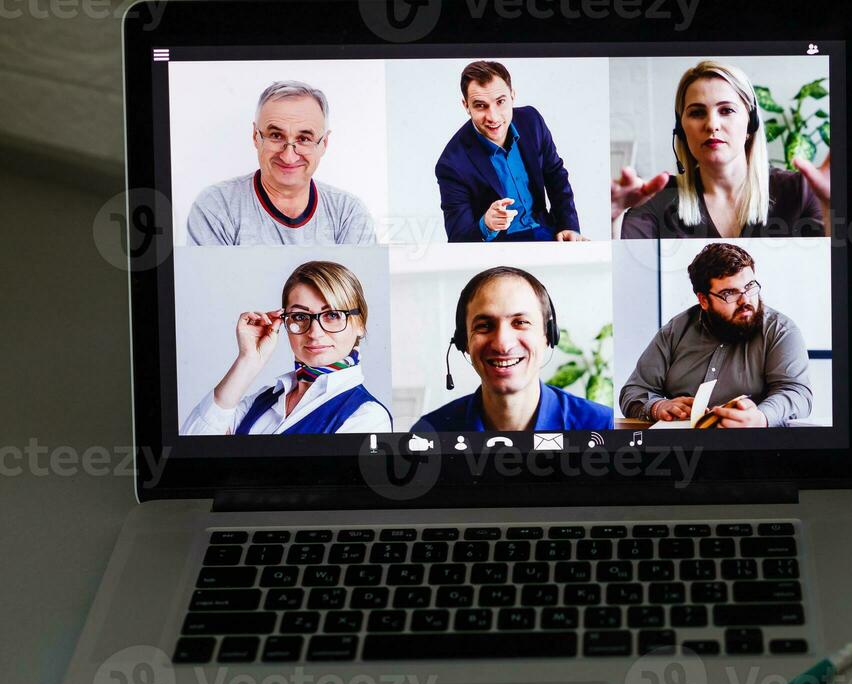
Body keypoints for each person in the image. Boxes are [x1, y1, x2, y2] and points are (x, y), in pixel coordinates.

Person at [613, 60, 830, 240]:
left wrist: (832, 209)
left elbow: (830, 277)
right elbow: (624, 278)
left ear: (750, 124)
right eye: (697, 113)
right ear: (681, 129)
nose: (712, 125)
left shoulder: (798, 192)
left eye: (726, 110)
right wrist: (613, 217)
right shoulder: (657, 200)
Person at [181, 261, 391, 435]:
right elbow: (193, 451)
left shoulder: (366, 416)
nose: (315, 332)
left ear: (360, 325)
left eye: (333, 315)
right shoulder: (263, 400)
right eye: (300, 317)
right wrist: (248, 361)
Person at [619, 242, 812, 427]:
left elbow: (797, 393)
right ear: (703, 300)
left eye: (750, 286)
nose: (746, 301)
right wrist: (657, 406)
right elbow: (633, 391)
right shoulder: (676, 330)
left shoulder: (781, 331)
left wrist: (762, 417)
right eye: (730, 293)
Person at [414, 267, 612, 432]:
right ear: (463, 341)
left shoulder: (603, 426)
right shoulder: (429, 432)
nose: (502, 344)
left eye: (521, 322)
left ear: (548, 336)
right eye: (484, 325)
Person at [186, 81, 376, 246]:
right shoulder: (217, 206)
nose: (288, 156)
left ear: (324, 143)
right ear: (255, 136)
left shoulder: (348, 214)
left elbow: (359, 288)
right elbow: (209, 287)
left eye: (304, 138)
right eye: (276, 136)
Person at [435, 61, 585, 244]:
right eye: (480, 105)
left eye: (500, 102)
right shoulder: (451, 163)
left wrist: (568, 225)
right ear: (466, 106)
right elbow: (458, 238)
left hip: (546, 234)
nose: (493, 116)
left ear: (513, 96)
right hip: (499, 249)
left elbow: (556, 176)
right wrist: (486, 225)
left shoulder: (532, 121)